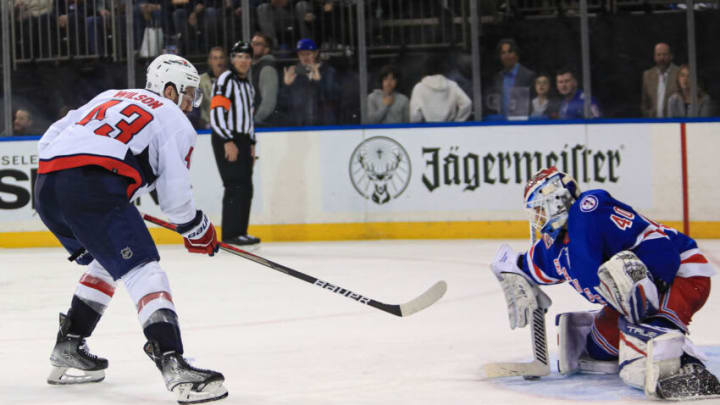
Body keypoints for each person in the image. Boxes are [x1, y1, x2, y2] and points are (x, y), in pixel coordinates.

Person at [34, 54, 228, 403]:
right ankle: (174, 363)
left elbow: (50, 137)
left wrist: (75, 182)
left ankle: (70, 344)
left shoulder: (111, 94)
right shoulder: (173, 119)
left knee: (108, 260)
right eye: (186, 93)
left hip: (47, 186)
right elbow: (175, 200)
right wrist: (197, 229)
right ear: (168, 89)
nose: (189, 102)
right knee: (144, 269)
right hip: (93, 187)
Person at [490, 166, 720, 400]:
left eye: (540, 207)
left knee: (648, 336)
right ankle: (637, 334)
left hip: (681, 274)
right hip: (635, 300)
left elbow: (661, 246)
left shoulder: (589, 210)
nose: (538, 216)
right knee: (599, 347)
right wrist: (512, 277)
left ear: (559, 200)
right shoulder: (554, 249)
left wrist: (648, 289)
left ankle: (693, 369)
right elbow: (514, 263)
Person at [210, 41, 261, 246]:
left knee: (246, 186)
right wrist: (227, 140)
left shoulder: (248, 85)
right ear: (232, 59)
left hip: (242, 139)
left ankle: (241, 231)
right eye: (239, 56)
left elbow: (248, 118)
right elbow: (217, 113)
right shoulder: (225, 80)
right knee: (234, 185)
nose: (243, 60)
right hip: (227, 138)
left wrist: (251, 143)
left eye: (247, 57)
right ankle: (231, 235)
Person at [281, 38, 341, 126]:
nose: (305, 57)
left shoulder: (328, 71)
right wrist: (287, 85)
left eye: (308, 54)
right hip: (299, 124)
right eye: (302, 54)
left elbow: (332, 97)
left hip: (323, 124)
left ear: (316, 53)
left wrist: (318, 81)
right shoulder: (294, 73)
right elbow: (284, 103)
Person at [409, 54, 471, 123]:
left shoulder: (419, 87)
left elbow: (414, 114)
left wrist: (419, 125)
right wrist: (458, 121)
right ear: (443, 69)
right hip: (448, 128)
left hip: (427, 129)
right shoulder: (452, 85)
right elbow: (467, 103)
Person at [491, 38, 536, 119]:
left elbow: (534, 105)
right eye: (503, 53)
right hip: (502, 124)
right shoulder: (498, 77)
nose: (506, 56)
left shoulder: (528, 76)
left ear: (516, 54)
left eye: (510, 52)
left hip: (522, 124)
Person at [641, 43, 680, 118]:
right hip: (653, 123)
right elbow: (645, 102)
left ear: (671, 56)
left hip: (674, 122)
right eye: (658, 55)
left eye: (665, 54)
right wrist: (648, 115)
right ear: (654, 57)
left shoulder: (680, 73)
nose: (662, 58)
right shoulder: (647, 75)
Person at [251, 32, 281, 126]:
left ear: (266, 49)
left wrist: (255, 120)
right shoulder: (255, 67)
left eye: (258, 44)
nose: (253, 46)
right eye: (252, 43)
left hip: (265, 125)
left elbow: (269, 102)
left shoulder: (267, 69)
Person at [199, 46, 228, 128]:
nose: (219, 61)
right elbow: (197, 104)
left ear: (225, 60)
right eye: (215, 58)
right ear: (210, 61)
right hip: (208, 125)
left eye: (221, 58)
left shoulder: (232, 79)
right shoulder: (201, 80)